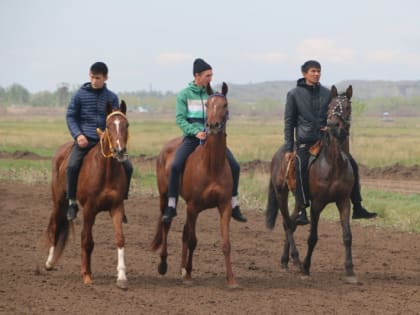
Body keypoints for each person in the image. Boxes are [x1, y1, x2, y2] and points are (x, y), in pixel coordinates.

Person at [284, 60, 377, 225]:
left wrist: (330, 127)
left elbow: (333, 115)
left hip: (325, 140)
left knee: (352, 164)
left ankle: (357, 206)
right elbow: (289, 122)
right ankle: (302, 209)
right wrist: (289, 147)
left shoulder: (328, 94)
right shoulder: (294, 94)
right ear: (304, 73)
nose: (316, 74)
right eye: (313, 71)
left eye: (318, 71)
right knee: (300, 165)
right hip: (305, 141)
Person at [161, 58, 247, 224]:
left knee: (235, 166)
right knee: (175, 165)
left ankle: (234, 204)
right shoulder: (184, 95)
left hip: (213, 140)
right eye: (207, 75)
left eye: (211, 75)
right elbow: (180, 119)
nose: (210, 79)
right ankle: (171, 205)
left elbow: (221, 114)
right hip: (192, 138)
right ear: (197, 76)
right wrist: (195, 132)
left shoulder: (211, 95)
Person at [66, 61, 133, 221]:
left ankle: (121, 201)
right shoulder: (79, 96)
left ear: (105, 78)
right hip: (85, 139)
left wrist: (114, 138)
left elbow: (116, 119)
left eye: (98, 78)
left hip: (107, 143)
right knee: (72, 165)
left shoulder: (112, 97)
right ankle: (72, 202)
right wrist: (78, 135)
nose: (94, 81)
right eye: (92, 77)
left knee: (128, 167)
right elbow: (70, 116)